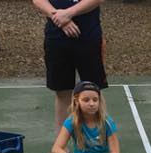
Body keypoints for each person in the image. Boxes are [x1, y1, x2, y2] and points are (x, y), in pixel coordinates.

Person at [44, 80, 138, 153]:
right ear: (76, 101)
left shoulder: (107, 122)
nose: (92, 104)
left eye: (95, 100)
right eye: (86, 100)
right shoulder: (71, 121)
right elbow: (56, 149)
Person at [32, 0, 107, 129]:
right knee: (62, 92)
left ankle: (97, 141)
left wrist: (68, 13)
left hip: (88, 38)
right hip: (56, 39)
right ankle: (61, 145)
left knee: (93, 91)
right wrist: (60, 18)